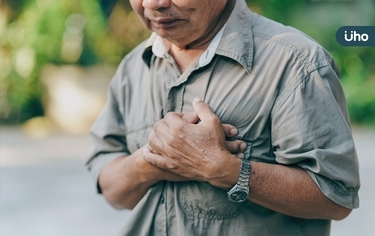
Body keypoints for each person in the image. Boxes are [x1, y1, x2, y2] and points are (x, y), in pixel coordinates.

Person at [87, 0, 360, 235]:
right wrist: (151, 162)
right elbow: (112, 188)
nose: (152, 4)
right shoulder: (132, 68)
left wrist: (224, 169)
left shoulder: (296, 62)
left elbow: (336, 197)